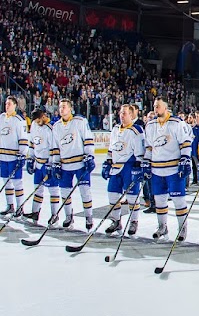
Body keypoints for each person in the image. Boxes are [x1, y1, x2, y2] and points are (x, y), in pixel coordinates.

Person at [144, 96, 192, 241]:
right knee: (159, 200)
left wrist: (185, 158)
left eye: (158, 106)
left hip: (173, 169)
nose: (155, 108)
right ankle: (162, 227)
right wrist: (146, 162)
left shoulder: (177, 123)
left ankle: (182, 228)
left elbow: (185, 143)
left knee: (178, 200)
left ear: (166, 107)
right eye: (154, 106)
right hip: (157, 170)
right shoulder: (150, 125)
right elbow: (149, 147)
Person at [51, 98, 95, 229]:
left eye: (64, 106)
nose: (61, 109)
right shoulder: (56, 126)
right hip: (65, 165)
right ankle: (69, 216)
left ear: (70, 108)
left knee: (85, 191)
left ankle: (89, 216)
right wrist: (56, 163)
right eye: (60, 107)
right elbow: (55, 147)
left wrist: (89, 156)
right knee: (65, 192)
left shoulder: (80, 122)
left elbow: (88, 139)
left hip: (80, 164)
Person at [102, 104, 145, 236]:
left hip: (129, 166)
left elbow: (140, 152)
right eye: (121, 112)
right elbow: (111, 148)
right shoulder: (115, 129)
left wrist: (139, 166)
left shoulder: (136, 130)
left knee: (132, 196)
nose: (121, 115)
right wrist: (107, 162)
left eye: (124, 113)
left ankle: (133, 221)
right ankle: (116, 221)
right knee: (113, 194)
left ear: (131, 115)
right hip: (116, 167)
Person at [24, 108, 60, 224]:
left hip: (47, 164)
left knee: (53, 190)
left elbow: (54, 148)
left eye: (38, 120)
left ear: (44, 116)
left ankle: (55, 214)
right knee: (37, 189)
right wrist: (30, 158)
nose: (36, 122)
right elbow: (32, 143)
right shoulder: (34, 125)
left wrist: (51, 164)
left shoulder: (50, 129)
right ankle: (35, 212)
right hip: (38, 163)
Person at [0, 95, 28, 217]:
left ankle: (20, 207)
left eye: (9, 104)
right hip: (3, 156)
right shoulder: (1, 118)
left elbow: (24, 139)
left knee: (17, 182)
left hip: (13, 157)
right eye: (6, 103)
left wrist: (22, 155)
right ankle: (10, 205)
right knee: (6, 181)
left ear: (15, 106)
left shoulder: (19, 120)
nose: (7, 106)